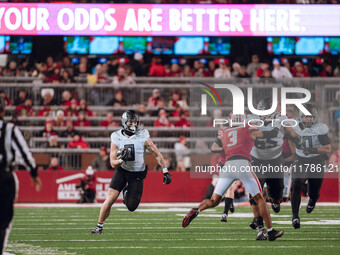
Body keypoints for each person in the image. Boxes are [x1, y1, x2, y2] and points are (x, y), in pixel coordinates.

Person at [182, 113, 284, 241]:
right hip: (242, 164)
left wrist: (229, 148)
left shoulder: (224, 131)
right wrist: (277, 127)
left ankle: (196, 210)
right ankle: (270, 232)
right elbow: (268, 135)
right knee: (259, 199)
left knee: (214, 200)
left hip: (228, 166)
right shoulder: (247, 127)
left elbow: (214, 148)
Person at [91, 110, 171, 234]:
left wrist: (165, 171)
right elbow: (112, 163)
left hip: (137, 174)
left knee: (132, 207)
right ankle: (99, 226)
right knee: (110, 198)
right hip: (122, 170)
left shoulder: (143, 135)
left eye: (135, 121)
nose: (133, 124)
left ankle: (126, 191)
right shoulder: (116, 136)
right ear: (124, 122)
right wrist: (122, 159)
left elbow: (156, 153)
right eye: (130, 121)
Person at [0, 97, 42, 254]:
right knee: (4, 221)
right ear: (3, 111)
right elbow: (24, 153)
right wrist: (33, 172)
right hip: (4, 177)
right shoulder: (9, 129)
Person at [291, 104, 331, 229]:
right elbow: (289, 140)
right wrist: (295, 153)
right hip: (300, 158)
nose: (308, 119)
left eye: (311, 117)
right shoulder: (294, 126)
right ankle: (295, 216)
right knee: (296, 184)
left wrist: (313, 150)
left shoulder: (320, 129)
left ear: (315, 118)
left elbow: (328, 148)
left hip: (316, 160)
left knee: (313, 192)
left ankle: (312, 200)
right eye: (306, 117)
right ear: (301, 117)